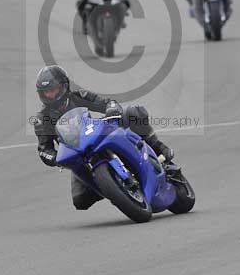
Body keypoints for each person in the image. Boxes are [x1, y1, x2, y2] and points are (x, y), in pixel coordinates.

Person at [32, 65, 175, 210]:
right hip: (77, 153)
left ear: (64, 86)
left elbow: (108, 103)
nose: (50, 95)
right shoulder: (41, 119)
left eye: (53, 90)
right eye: (46, 92)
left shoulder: (78, 96)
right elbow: (44, 149)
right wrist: (54, 157)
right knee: (80, 200)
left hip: (95, 135)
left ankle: (158, 147)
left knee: (133, 112)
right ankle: (114, 188)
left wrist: (111, 109)